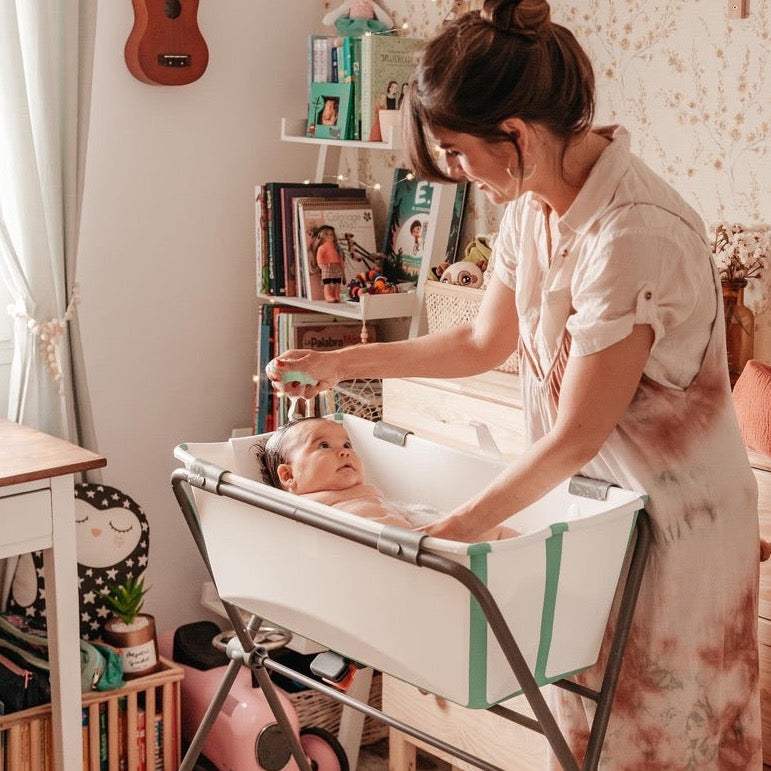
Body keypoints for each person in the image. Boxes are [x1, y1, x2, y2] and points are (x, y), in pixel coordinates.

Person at [267, 0, 763, 766]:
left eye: (459, 154)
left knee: (659, 737)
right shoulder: (533, 206)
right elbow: (478, 339)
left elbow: (573, 434)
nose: (458, 174)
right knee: (583, 727)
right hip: (594, 510)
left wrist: (450, 533)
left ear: (518, 135)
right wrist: (338, 363)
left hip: (672, 527)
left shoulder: (631, 232)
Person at [262, 417, 517, 541]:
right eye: (324, 446)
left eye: (347, 443)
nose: (344, 451)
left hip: (411, 540)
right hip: (403, 553)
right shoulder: (309, 508)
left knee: (499, 533)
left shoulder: (356, 490)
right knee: (495, 537)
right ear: (289, 475)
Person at [312, 225, 344, 302]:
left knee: (337, 283)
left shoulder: (336, 247)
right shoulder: (322, 247)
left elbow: (339, 257)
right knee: (328, 283)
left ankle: (336, 295)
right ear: (322, 236)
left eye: (331, 234)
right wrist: (321, 265)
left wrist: (342, 266)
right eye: (327, 234)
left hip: (336, 266)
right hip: (327, 266)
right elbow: (319, 256)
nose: (330, 236)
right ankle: (328, 296)